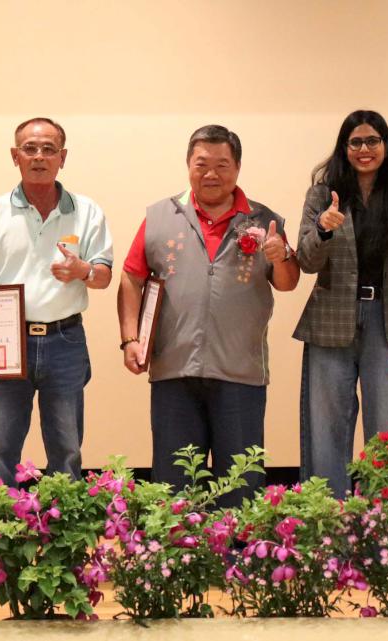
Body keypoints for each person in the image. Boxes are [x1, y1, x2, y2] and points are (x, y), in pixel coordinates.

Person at [117, 124, 299, 504]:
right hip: (174, 369)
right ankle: (178, 545)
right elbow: (132, 278)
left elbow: (287, 283)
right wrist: (130, 338)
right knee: (174, 486)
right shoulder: (160, 216)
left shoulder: (264, 220)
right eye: (202, 164)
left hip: (241, 372)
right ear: (188, 164)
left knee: (240, 485)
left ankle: (239, 545)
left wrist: (281, 256)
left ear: (238, 168)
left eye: (222, 165)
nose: (211, 174)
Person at [0, 117, 113, 487]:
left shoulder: (87, 211)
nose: (39, 156)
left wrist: (83, 270)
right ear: (15, 156)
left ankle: (65, 522)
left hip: (66, 340)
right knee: (0, 449)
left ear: (63, 157)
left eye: (48, 149)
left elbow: (104, 277)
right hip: (6, 344)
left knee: (67, 449)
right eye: (30, 149)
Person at [294, 110, 388, 498]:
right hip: (330, 322)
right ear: (344, 147)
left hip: (387, 323)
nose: (364, 149)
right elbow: (305, 261)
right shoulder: (322, 195)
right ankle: (326, 516)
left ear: (385, 146)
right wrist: (323, 229)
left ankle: (383, 521)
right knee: (326, 427)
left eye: (372, 141)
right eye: (355, 142)